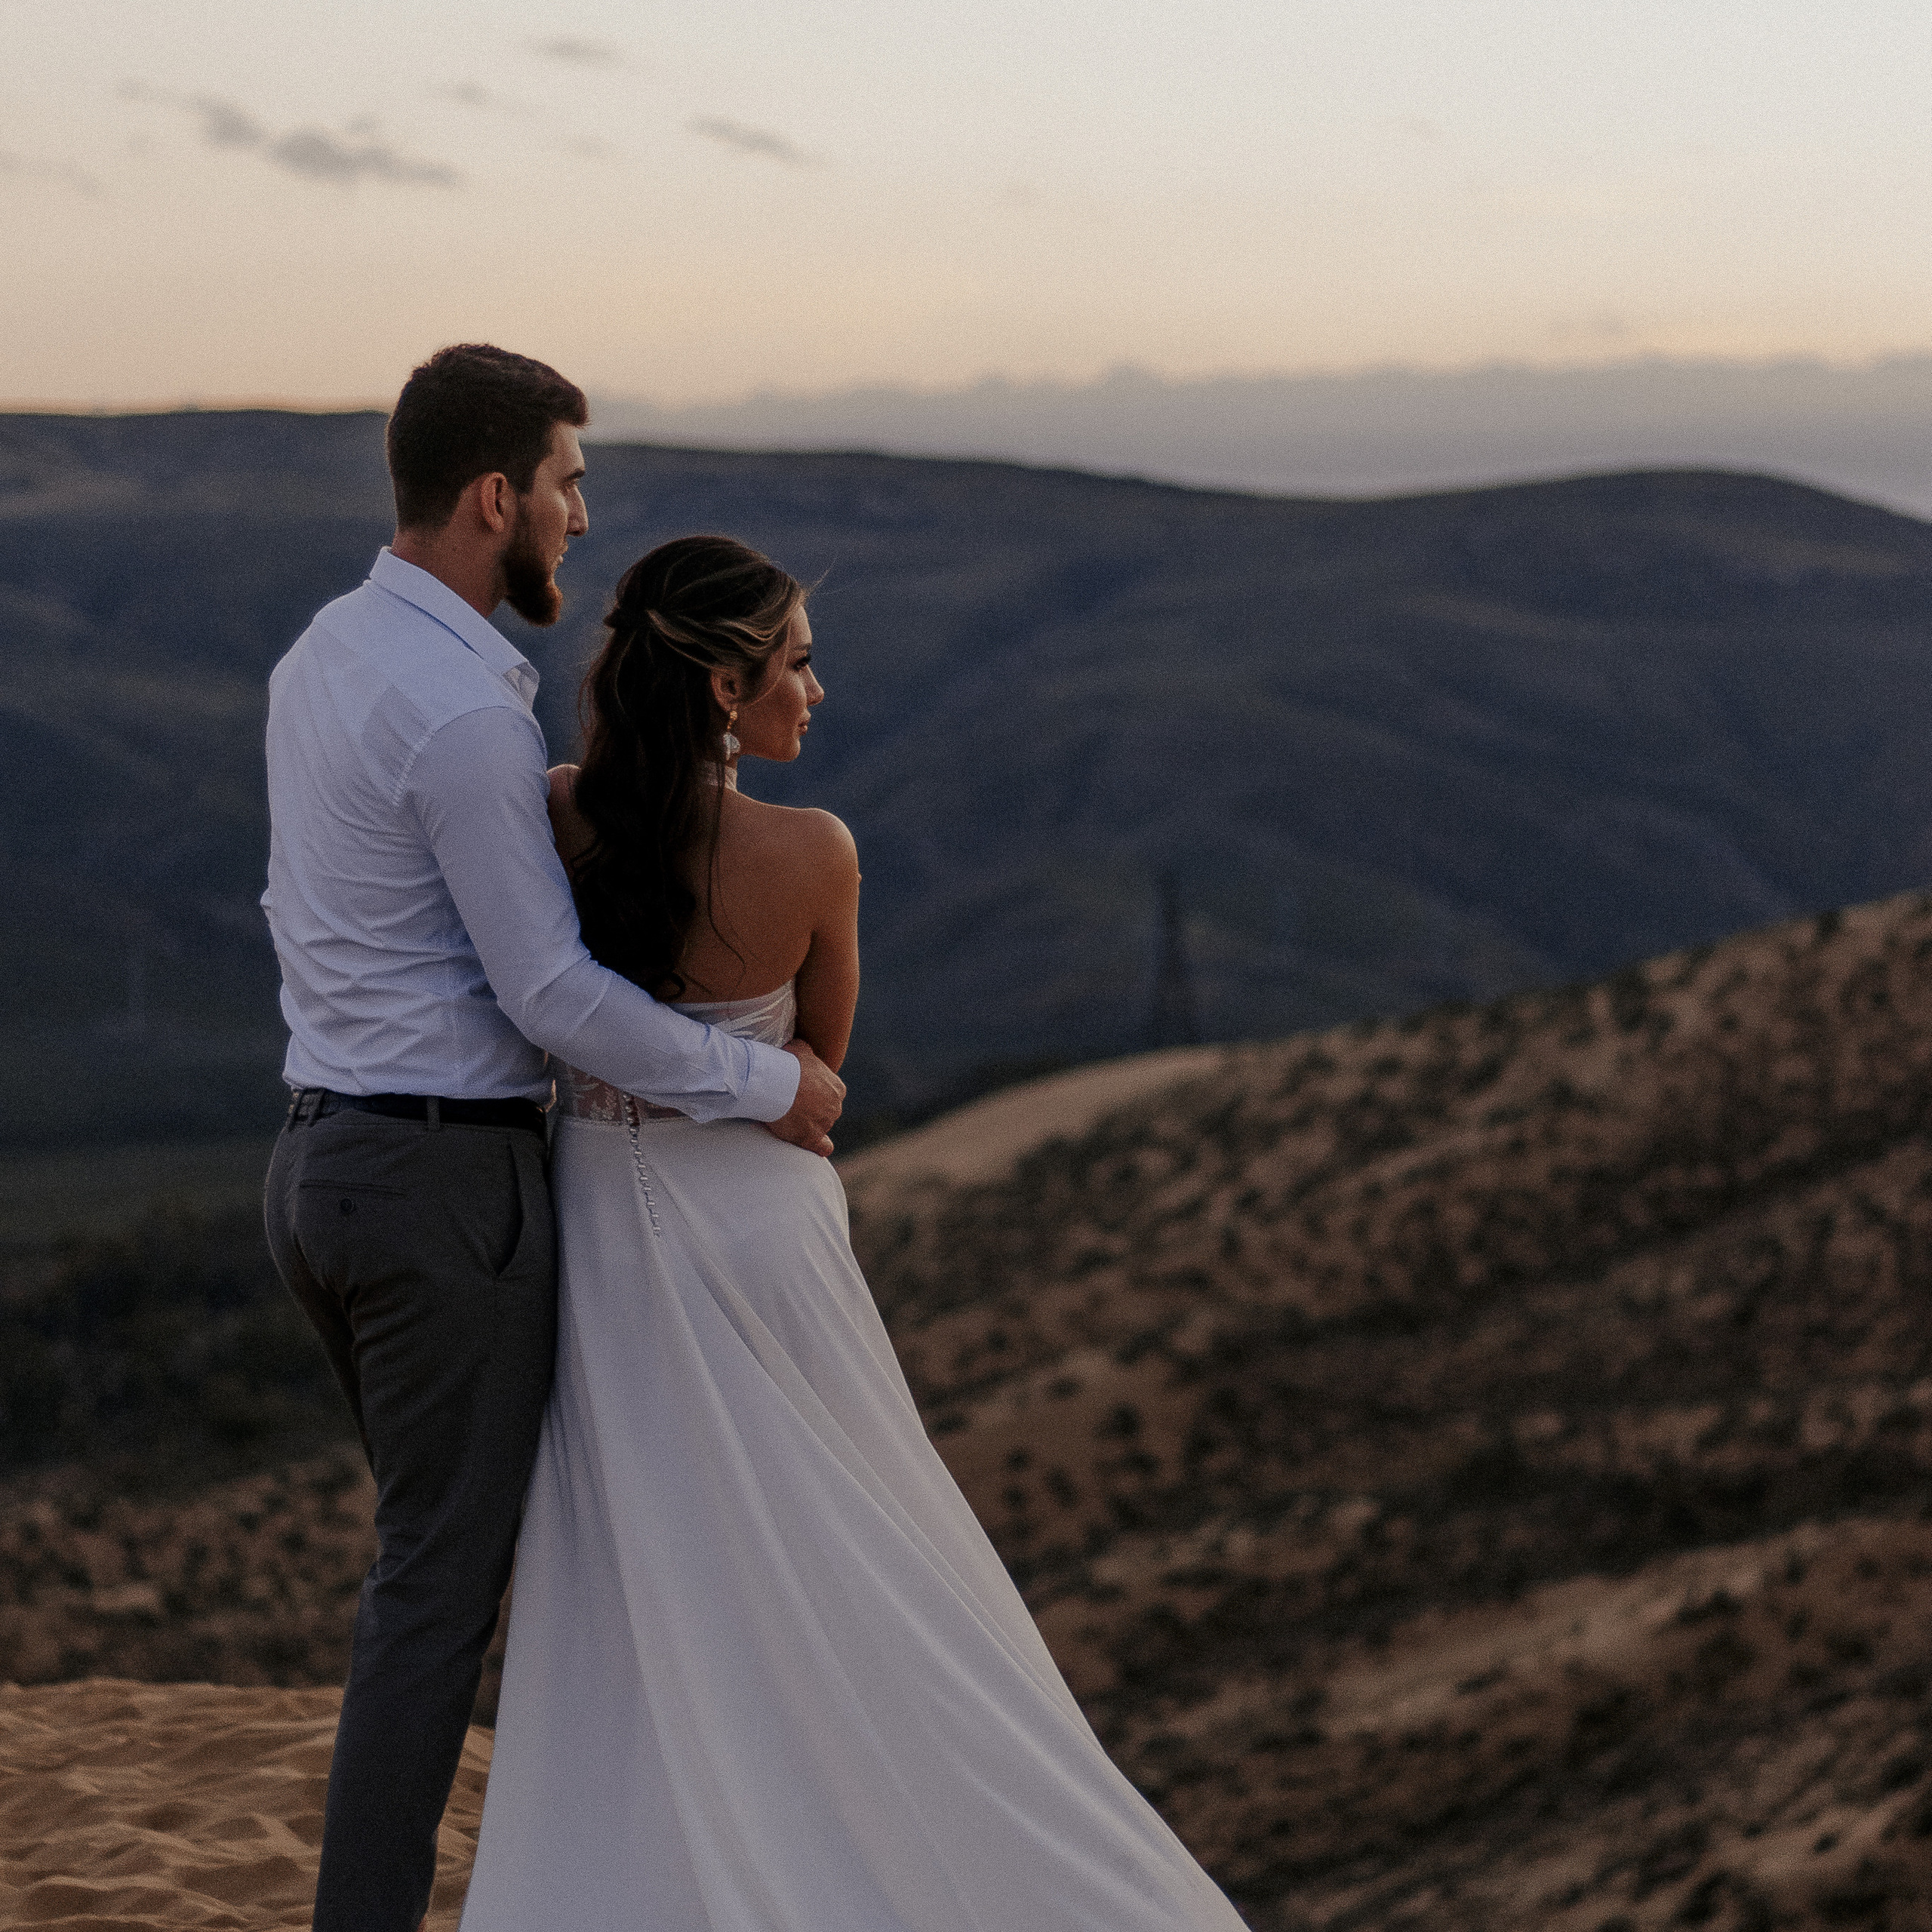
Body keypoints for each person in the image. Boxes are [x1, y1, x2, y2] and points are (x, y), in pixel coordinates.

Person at [457, 535, 1247, 1930]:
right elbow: (821, 1077)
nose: (818, 690)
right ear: (720, 685)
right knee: (869, 1556)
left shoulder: (557, 817)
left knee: (639, 1564)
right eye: (798, 664)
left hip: (594, 1227)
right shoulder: (813, 852)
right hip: (763, 1238)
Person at [259, 347, 846, 1932]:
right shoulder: (457, 710)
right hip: (443, 1183)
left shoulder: (320, 657)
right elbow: (547, 989)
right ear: (494, 497)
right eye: (569, 485)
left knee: (448, 1569)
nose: (583, 520)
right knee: (437, 1599)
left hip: (318, 1165)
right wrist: (765, 1083)